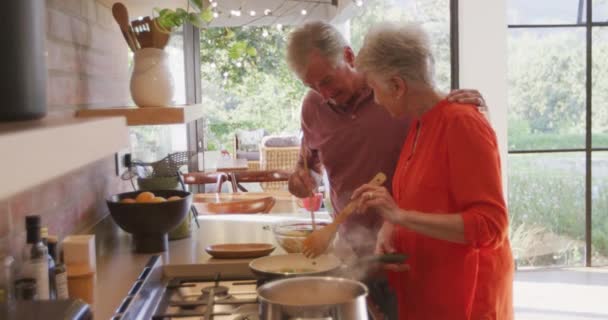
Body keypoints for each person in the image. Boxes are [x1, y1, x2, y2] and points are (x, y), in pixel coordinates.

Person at [285, 21, 488, 319]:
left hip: (409, 251)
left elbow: (447, 125)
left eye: (327, 80)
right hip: (353, 250)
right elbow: (311, 166)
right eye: (312, 86)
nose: (323, 93)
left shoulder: (395, 91)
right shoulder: (313, 106)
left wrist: (475, 112)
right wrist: (301, 180)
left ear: (349, 56)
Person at [352, 22, 513, 319]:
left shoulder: (461, 123)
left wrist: (400, 216)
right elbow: (426, 201)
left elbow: (490, 225)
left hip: (465, 300)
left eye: (375, 89)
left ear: (397, 86)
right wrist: (392, 226)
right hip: (427, 292)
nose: (375, 100)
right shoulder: (419, 123)